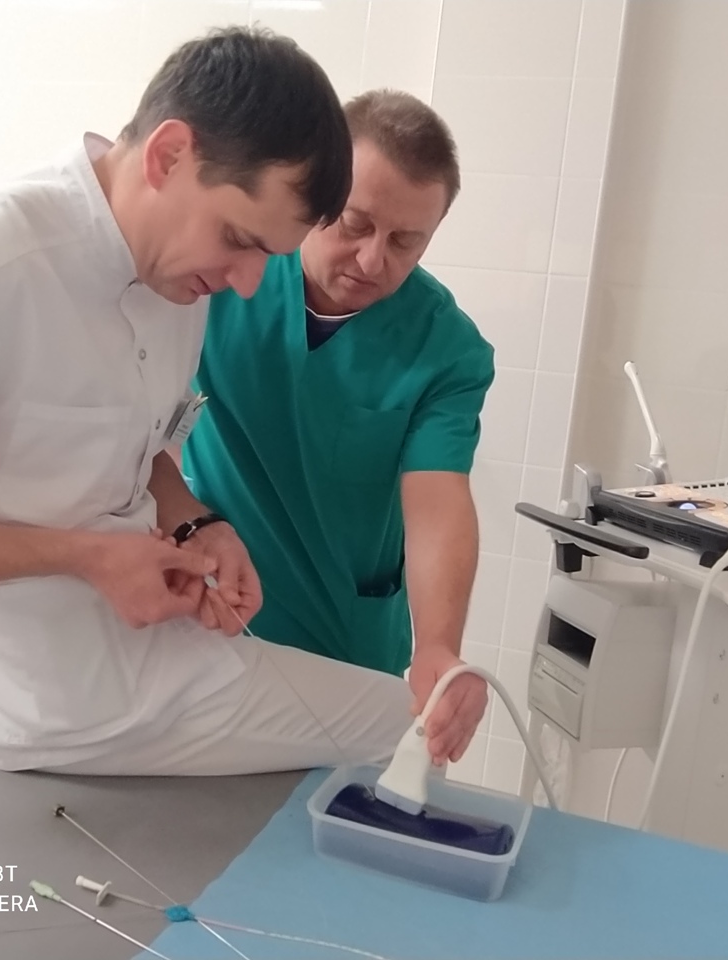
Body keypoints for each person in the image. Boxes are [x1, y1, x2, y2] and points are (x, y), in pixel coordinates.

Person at [0, 27, 414, 776]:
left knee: (407, 733)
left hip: (161, 657)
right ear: (168, 155)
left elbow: (138, 445)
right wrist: (84, 557)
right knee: (400, 740)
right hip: (41, 709)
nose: (248, 282)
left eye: (269, 255)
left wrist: (196, 521)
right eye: (239, 238)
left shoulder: (179, 277)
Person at [181, 90, 495, 768]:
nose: (373, 260)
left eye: (406, 242)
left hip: (342, 637)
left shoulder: (447, 349)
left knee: (328, 810)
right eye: (356, 223)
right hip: (208, 606)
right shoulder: (228, 272)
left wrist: (438, 645)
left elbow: (438, 501)